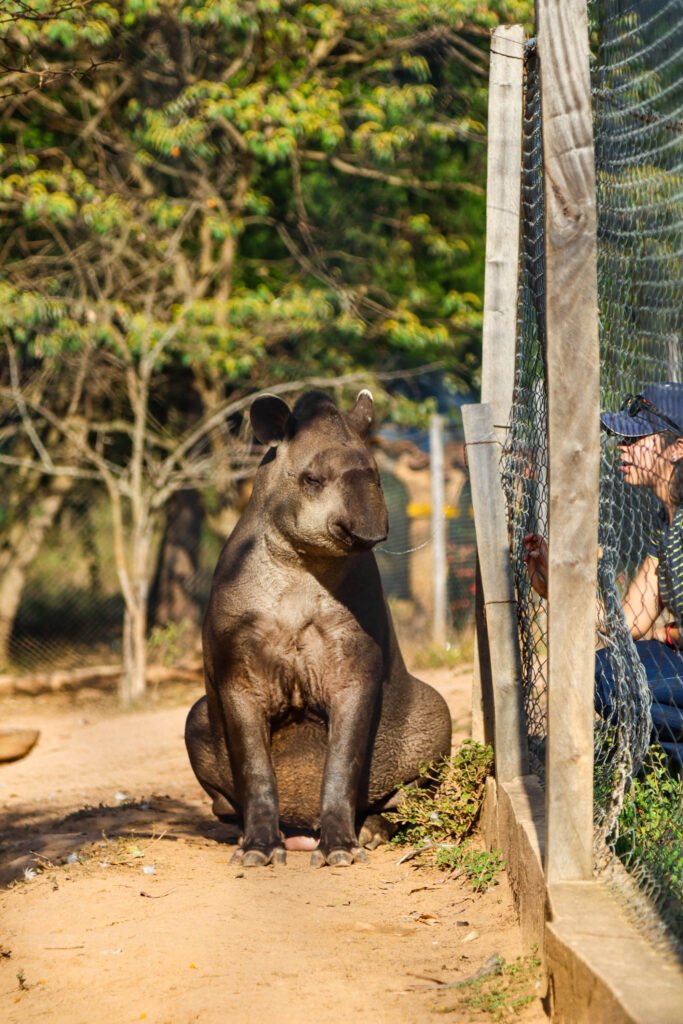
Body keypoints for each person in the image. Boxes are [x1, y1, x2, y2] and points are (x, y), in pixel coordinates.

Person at [523, 382, 683, 767]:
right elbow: (629, 621)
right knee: (601, 671)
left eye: (635, 439)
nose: (621, 449)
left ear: (677, 448)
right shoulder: (665, 522)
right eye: (620, 439)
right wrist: (559, 588)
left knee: (612, 678)